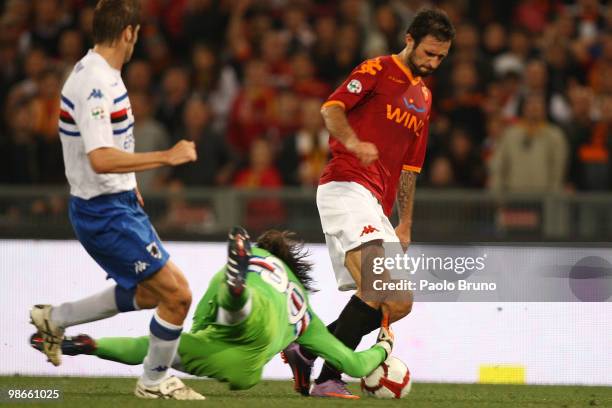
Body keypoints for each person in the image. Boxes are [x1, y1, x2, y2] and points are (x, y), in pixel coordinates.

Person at [28, 0, 203, 400]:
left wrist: (130, 182)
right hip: (102, 211)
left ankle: (54, 319)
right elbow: (100, 157)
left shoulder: (104, 73)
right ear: (129, 32)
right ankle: (154, 381)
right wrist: (165, 156)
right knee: (177, 296)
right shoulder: (95, 83)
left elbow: (110, 146)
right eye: (137, 34)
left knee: (149, 293)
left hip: (118, 202)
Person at [281, 8, 455, 398]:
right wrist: (354, 143)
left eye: (441, 57)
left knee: (400, 302)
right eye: (428, 52)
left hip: (376, 203)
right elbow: (331, 109)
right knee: (376, 286)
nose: (433, 62)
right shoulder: (376, 69)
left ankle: (307, 352)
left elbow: (412, 165)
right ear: (409, 38)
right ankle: (328, 376)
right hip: (345, 186)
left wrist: (405, 221)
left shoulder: (424, 97)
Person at [31, 227, 394, 392]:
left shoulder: (252, 259)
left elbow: (202, 310)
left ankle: (87, 344)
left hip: (227, 315)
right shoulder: (307, 314)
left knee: (162, 345)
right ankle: (238, 303)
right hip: (245, 362)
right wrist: (384, 345)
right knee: (246, 347)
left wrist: (205, 326)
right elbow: (354, 364)